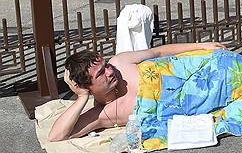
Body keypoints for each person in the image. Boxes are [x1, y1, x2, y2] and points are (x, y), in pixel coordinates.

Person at [48, 41, 224, 142]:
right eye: (101, 73)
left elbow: (159, 52)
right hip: (208, 93)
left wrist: (202, 45)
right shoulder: (105, 114)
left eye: (105, 65)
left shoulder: (120, 62)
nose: (110, 72)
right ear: (88, 87)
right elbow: (56, 136)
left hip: (200, 67)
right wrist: (81, 98)